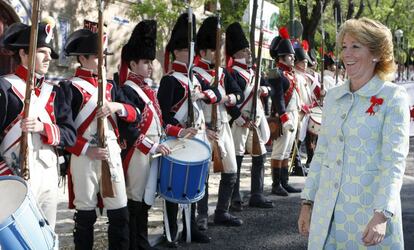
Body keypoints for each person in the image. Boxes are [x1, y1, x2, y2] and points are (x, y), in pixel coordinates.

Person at [298, 17, 410, 249]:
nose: (347, 54)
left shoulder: (393, 98)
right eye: (344, 47)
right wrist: (307, 202)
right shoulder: (333, 97)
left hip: (369, 216)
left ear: (377, 53)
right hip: (326, 215)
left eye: (356, 46)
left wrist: (382, 215)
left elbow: (394, 162)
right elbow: (322, 153)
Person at [118, 20, 197, 250]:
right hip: (137, 153)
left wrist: (181, 131)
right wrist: (151, 147)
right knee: (135, 202)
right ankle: (137, 244)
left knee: (145, 202)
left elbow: (160, 125)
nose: (150, 67)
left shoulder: (148, 91)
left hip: (152, 152)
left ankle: (140, 243)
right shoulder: (127, 90)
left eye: (151, 62)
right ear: (132, 63)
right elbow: (128, 130)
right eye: (145, 62)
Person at [63, 28, 140, 249]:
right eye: (97, 56)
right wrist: (87, 149)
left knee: (119, 214)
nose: (101, 61)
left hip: (112, 155)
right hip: (84, 157)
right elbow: (65, 131)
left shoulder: (110, 86)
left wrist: (116, 106)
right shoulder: (69, 88)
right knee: (85, 217)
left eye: (103, 56)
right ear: (82, 58)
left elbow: (134, 114)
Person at [0, 20, 76, 229]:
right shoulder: (5, 87)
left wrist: (43, 128)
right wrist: (5, 177)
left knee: (45, 233)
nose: (49, 58)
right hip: (13, 175)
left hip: (49, 174)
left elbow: (70, 136)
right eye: (42, 51)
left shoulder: (55, 91)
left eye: (49, 53)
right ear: (24, 54)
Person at [157, 13, 221, 246]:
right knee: (174, 187)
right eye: (186, 49)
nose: (191, 54)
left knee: (195, 184)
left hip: (198, 138)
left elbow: (218, 94)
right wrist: (179, 130)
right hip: (179, 139)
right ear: (176, 52)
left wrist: (205, 94)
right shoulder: (170, 80)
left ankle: (191, 228)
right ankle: (171, 232)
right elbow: (163, 115)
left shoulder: (195, 78)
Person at [192, 16, 244, 228]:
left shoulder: (222, 73)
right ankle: (202, 215)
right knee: (203, 173)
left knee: (231, 170)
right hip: (204, 127)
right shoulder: (194, 73)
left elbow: (238, 95)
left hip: (223, 125)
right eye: (213, 50)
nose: (217, 54)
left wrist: (225, 98)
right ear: (203, 52)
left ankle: (222, 211)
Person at [226, 22, 273, 211]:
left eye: (248, 50)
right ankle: (234, 197)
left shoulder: (253, 72)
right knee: (236, 159)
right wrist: (239, 119)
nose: (249, 53)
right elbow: (230, 101)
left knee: (259, 157)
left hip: (255, 121)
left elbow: (267, 88)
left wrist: (263, 89)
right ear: (236, 53)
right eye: (245, 51)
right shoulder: (232, 74)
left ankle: (257, 194)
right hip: (240, 122)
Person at [267, 28, 302, 196]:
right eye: (290, 56)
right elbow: (277, 98)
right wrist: (284, 117)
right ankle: (276, 184)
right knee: (279, 151)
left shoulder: (290, 74)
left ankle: (284, 181)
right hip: (283, 116)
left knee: (287, 151)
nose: (293, 58)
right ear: (281, 56)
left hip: (293, 114)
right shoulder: (276, 73)